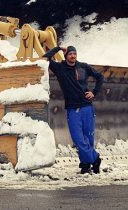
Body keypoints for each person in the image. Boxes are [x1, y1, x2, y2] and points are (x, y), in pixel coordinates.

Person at [43, 46, 104, 174]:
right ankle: (96, 158)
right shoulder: (60, 68)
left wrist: (94, 92)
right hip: (73, 109)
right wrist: (58, 48)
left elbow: (100, 77)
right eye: (70, 54)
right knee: (78, 139)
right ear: (66, 56)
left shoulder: (83, 67)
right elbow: (45, 58)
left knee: (88, 138)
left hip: (87, 107)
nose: (73, 56)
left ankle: (86, 164)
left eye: (74, 54)